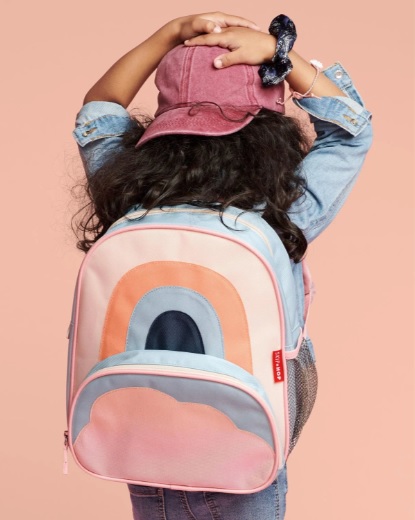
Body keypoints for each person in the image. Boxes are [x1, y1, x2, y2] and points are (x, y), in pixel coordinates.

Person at [72, 11, 372, 520]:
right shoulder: (280, 215)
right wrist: (281, 55)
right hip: (244, 454)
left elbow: (98, 110)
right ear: (267, 131)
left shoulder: (127, 202)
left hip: (141, 446)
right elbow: (351, 130)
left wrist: (169, 34)